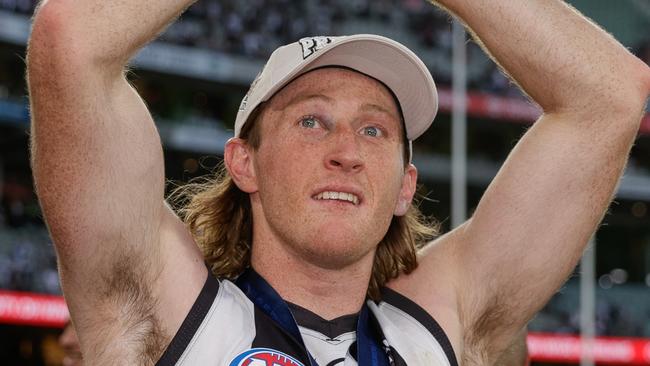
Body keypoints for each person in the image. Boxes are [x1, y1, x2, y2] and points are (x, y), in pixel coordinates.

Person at [26, 0, 650, 365]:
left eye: (375, 130)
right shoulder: (164, 311)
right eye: (311, 120)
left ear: (405, 186)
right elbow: (71, 41)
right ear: (244, 163)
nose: (347, 151)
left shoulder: (436, 329)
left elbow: (611, 95)